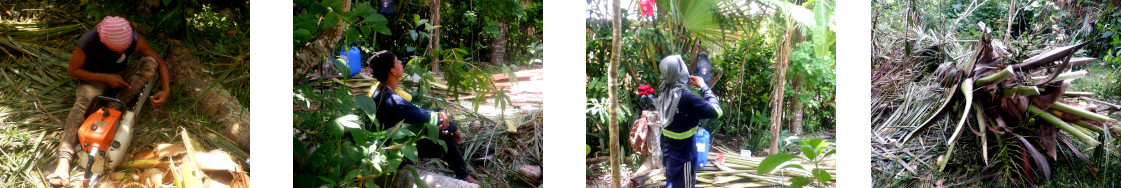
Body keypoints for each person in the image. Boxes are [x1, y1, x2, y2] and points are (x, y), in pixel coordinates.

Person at [47, 16, 172, 187]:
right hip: (91, 81)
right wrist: (105, 78)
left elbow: (160, 63)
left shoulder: (133, 39)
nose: (120, 53)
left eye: (124, 50)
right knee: (84, 102)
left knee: (150, 64)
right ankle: (64, 160)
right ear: (103, 41)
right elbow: (73, 70)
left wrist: (166, 90)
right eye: (116, 50)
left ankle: (113, 108)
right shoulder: (89, 41)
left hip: (118, 78)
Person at [366, 50, 477, 183]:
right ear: (392, 71)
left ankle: (463, 175)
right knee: (445, 135)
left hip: (383, 147)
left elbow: (415, 110)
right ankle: (466, 178)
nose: (401, 62)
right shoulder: (393, 100)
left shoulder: (380, 90)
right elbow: (425, 117)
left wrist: (439, 109)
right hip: (391, 154)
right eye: (397, 61)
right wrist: (452, 126)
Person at [654, 55, 722, 188]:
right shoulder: (688, 99)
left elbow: (679, 103)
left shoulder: (664, 90)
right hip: (684, 157)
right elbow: (717, 111)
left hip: (670, 154)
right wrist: (703, 86)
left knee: (672, 184)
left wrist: (685, 86)